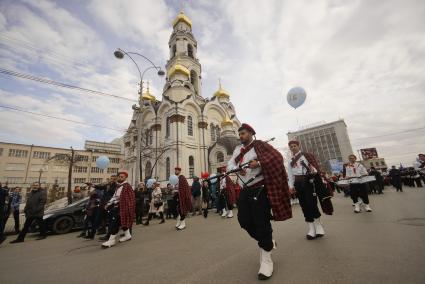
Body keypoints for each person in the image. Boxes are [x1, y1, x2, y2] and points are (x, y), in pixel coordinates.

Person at [227, 123, 292, 280]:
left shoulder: (260, 145)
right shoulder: (237, 150)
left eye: (243, 133)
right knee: (244, 221)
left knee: (261, 222)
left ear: (250, 133)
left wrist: (260, 163)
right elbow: (230, 164)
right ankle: (268, 242)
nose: (241, 136)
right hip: (245, 189)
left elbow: (277, 158)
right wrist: (237, 169)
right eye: (240, 134)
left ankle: (266, 260)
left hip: (260, 188)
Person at [287, 140, 333, 240]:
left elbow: (315, 169)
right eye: (291, 146)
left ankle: (318, 226)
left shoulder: (306, 155)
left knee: (311, 204)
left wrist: (312, 171)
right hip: (298, 184)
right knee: (304, 206)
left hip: (308, 182)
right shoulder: (290, 160)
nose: (293, 147)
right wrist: (291, 186)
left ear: (298, 146)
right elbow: (290, 175)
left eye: (295, 146)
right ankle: (311, 228)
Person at [101, 171, 135, 248]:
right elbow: (115, 197)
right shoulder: (119, 186)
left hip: (123, 208)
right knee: (122, 222)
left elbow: (130, 198)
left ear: (125, 177)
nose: (120, 178)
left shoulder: (127, 186)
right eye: (119, 176)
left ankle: (111, 240)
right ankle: (128, 235)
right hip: (117, 207)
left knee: (115, 223)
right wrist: (108, 204)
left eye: (122, 177)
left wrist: (128, 208)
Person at [174, 166, 192, 231]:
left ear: (179, 171)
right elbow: (177, 187)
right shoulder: (176, 178)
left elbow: (184, 188)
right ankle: (179, 221)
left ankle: (183, 223)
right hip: (177, 195)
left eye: (176, 170)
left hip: (182, 196)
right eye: (175, 170)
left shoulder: (182, 177)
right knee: (178, 209)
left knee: (182, 209)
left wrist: (184, 195)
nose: (175, 171)